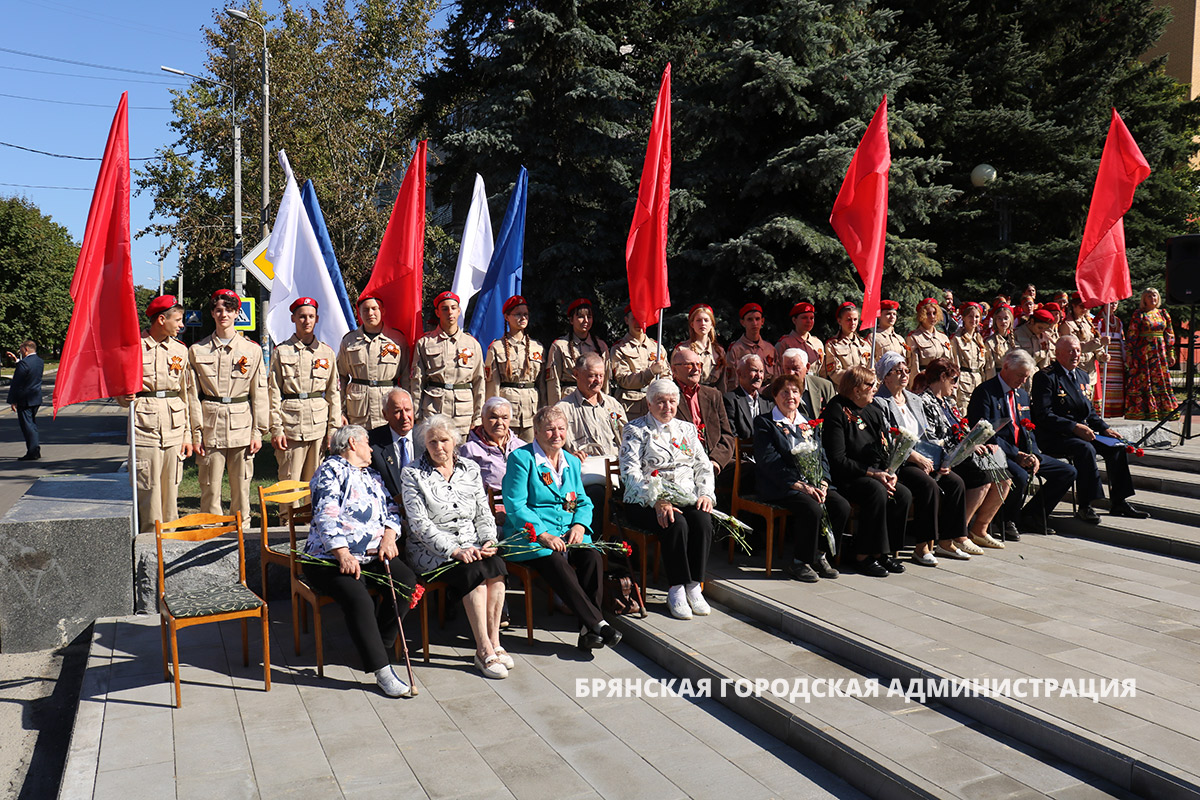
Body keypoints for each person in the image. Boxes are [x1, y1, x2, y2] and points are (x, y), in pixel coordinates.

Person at [302, 424, 417, 698]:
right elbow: (325, 515)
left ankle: (380, 644)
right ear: (353, 443)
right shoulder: (330, 470)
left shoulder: (372, 476)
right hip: (328, 558)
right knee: (359, 598)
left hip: (372, 555)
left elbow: (391, 510)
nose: (371, 449)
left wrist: (389, 538)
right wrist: (342, 553)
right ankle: (381, 670)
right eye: (367, 444)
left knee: (406, 582)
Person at [501, 405, 622, 651]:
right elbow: (515, 505)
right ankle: (598, 623)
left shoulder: (571, 462)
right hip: (530, 537)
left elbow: (584, 501)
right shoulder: (521, 459)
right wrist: (543, 534)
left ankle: (588, 630)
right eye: (549, 429)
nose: (556, 434)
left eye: (561, 429)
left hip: (567, 533)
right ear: (536, 432)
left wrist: (579, 524)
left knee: (592, 557)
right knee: (555, 561)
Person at [402, 414, 509, 679]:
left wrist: (488, 540)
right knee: (472, 572)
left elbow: (483, 514)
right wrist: (454, 550)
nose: (439, 447)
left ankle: (495, 642)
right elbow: (419, 525)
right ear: (424, 445)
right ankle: (482, 651)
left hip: (472, 545)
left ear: (455, 441)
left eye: (444, 440)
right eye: (432, 442)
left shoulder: (470, 469)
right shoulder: (412, 473)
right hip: (433, 553)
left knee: (495, 566)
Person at [619, 378, 715, 619]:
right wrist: (656, 500)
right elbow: (629, 474)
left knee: (703, 521)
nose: (667, 407)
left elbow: (703, 466)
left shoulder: (687, 429)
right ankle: (676, 588)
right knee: (675, 522)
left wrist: (705, 494)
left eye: (672, 401)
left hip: (685, 497)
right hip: (643, 501)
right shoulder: (635, 429)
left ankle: (694, 584)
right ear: (649, 404)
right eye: (660, 402)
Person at [1032, 336, 1148, 522]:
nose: (1076, 354)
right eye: (1070, 351)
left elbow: (1089, 410)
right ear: (1058, 353)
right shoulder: (1046, 377)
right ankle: (1086, 505)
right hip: (1056, 435)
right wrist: (1074, 427)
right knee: (1085, 449)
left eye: (1078, 350)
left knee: (1116, 446)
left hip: (1082, 432)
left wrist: (1104, 428)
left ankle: (1119, 501)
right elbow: (1043, 414)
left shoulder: (1082, 375)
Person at [874, 352, 971, 565]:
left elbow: (927, 436)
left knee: (955, 482)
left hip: (925, 457)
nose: (904, 375)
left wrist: (942, 461)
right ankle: (922, 546)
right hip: (900, 462)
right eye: (897, 371)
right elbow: (889, 438)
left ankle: (947, 542)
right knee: (929, 486)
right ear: (885, 377)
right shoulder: (880, 402)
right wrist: (914, 457)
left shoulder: (913, 399)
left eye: (906, 371)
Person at [966, 349, 1076, 536]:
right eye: (1020, 376)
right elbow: (985, 433)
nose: (1023, 381)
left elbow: (1028, 428)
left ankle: (1031, 516)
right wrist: (1016, 455)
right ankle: (1006, 519)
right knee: (1019, 475)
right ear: (1006, 367)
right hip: (998, 451)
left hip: (1023, 451)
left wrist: (1033, 453)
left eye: (1026, 377)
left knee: (1067, 472)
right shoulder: (985, 392)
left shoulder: (1022, 395)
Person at [753, 373, 850, 581]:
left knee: (841, 506)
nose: (790, 396)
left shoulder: (809, 424)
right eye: (784, 392)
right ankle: (800, 562)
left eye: (795, 392)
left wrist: (823, 481)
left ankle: (819, 554)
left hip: (813, 484)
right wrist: (800, 485)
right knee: (811, 507)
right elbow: (769, 461)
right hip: (781, 484)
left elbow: (822, 456)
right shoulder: (765, 423)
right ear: (775, 396)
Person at [821, 366, 912, 576]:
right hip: (848, 476)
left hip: (874, 473)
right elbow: (837, 459)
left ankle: (883, 552)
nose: (875, 388)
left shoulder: (873, 410)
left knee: (903, 494)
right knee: (875, 491)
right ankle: (862, 555)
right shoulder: (837, 411)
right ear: (856, 389)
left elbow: (884, 447)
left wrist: (890, 472)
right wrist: (873, 474)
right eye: (870, 385)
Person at [188, 289, 268, 519]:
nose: (224, 314)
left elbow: (259, 394)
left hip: (242, 426)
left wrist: (258, 432)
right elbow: (193, 396)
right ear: (212, 313)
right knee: (209, 487)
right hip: (210, 425)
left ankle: (242, 534)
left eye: (229, 310)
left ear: (237, 313)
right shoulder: (197, 350)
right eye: (219, 310)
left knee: (242, 489)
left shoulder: (251, 350)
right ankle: (210, 530)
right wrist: (196, 433)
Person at [918, 358, 1012, 549]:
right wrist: (966, 446)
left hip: (960, 453)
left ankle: (979, 529)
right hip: (943, 458)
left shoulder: (948, 402)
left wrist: (978, 441)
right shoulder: (924, 401)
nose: (956, 385)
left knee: (1004, 478)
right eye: (954, 380)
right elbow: (931, 438)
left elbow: (963, 428)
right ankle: (957, 534)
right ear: (942, 377)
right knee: (982, 478)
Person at [117, 296, 192, 529]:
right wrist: (125, 396)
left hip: (174, 427)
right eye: (178, 320)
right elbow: (120, 391)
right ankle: (149, 542)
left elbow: (186, 394)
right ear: (162, 319)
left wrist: (188, 435)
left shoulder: (180, 350)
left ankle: (170, 539)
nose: (181, 325)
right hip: (144, 427)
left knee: (171, 487)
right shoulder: (133, 348)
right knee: (148, 488)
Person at [269, 297, 341, 487]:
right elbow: (273, 393)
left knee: (316, 479)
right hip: (291, 425)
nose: (306, 321)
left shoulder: (326, 353)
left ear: (317, 319)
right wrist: (276, 428)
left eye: (311, 316)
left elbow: (334, 393)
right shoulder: (281, 351)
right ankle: (287, 517)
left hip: (318, 424)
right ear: (293, 318)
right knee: (289, 479)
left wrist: (333, 429)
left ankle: (312, 517)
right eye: (302, 317)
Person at [555, 352, 628, 510]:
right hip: (587, 475)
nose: (598, 381)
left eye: (601, 376)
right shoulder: (562, 410)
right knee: (597, 495)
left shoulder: (613, 405)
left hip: (618, 471)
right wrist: (567, 457)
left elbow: (628, 439)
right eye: (592, 376)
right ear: (576, 374)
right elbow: (550, 449)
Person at [411, 291, 486, 436]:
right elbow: (417, 381)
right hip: (434, 409)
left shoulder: (472, 344)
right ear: (437, 313)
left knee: (462, 455)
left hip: (463, 413)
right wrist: (416, 414)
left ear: (459, 311)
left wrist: (478, 417)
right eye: (444, 308)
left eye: (453, 308)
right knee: (433, 452)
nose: (449, 312)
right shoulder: (425, 343)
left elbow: (479, 383)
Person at [337, 295, 408, 430]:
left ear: (382, 311)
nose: (370, 313)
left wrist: (408, 409)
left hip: (388, 407)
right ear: (360, 313)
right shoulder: (349, 340)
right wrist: (340, 411)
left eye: (374, 309)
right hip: (359, 410)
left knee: (387, 448)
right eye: (366, 310)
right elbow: (341, 377)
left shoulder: (397, 339)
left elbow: (406, 377)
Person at [484, 295, 543, 442]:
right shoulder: (497, 348)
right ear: (506, 317)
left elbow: (542, 384)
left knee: (532, 453)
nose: (522, 318)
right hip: (507, 413)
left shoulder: (537, 347)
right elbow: (493, 385)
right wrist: (494, 415)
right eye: (518, 314)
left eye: (525, 314)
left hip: (531, 411)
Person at [671, 347, 735, 477]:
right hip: (684, 462)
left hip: (714, 459)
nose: (696, 369)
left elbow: (727, 436)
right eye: (689, 364)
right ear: (674, 369)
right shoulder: (667, 396)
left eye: (698, 364)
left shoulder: (713, 395)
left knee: (752, 470)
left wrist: (716, 461)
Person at [608, 304, 670, 418]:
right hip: (630, 406)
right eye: (634, 319)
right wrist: (650, 373)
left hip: (655, 404)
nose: (639, 323)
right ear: (627, 320)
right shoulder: (619, 349)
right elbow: (623, 379)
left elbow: (667, 376)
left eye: (642, 319)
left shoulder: (657, 347)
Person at [1125, 287, 1177, 421]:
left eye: (1154, 295)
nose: (1152, 298)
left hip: (1159, 353)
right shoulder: (1139, 314)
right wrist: (1129, 353)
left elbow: (1169, 333)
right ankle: (1144, 411)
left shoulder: (1163, 314)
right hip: (1143, 355)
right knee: (1144, 380)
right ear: (1144, 299)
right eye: (1149, 296)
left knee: (1160, 380)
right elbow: (1132, 334)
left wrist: (1171, 353)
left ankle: (1162, 410)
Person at [544, 298, 608, 406]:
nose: (586, 320)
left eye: (589, 317)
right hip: (569, 400)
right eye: (580, 317)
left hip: (594, 399)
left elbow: (605, 382)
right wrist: (555, 409)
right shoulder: (559, 346)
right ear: (571, 320)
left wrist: (605, 404)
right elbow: (553, 382)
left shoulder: (601, 346)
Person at [460, 396, 527, 493]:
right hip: (487, 504)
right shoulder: (470, 450)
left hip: (519, 503)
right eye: (493, 417)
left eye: (505, 418)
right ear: (483, 419)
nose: (499, 422)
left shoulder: (522, 447)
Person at [368, 388, 416, 501]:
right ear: (385, 415)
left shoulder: (426, 439)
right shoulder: (372, 442)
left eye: (408, 410)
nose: (405, 417)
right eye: (397, 412)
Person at [724, 302, 776, 392]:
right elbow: (732, 381)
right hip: (744, 396)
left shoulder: (770, 349)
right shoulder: (736, 349)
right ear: (742, 322)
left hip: (767, 397)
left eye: (757, 319)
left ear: (762, 321)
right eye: (750, 320)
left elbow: (776, 378)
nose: (754, 323)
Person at [1063, 292, 1108, 395]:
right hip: (1076, 369)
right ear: (1073, 305)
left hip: (1090, 371)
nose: (1084, 309)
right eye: (1081, 306)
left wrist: (1101, 356)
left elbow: (1094, 341)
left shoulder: (1087, 323)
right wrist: (1100, 342)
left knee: (1089, 402)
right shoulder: (1067, 325)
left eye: (1087, 307)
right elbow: (1076, 347)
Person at [7, 339, 44, 462]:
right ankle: (35, 450)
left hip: (24, 400)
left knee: (27, 426)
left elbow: (17, 383)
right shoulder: (39, 361)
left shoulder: (24, 364)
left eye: (21, 349)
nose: (20, 351)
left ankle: (32, 452)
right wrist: (17, 360)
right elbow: (29, 371)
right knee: (31, 424)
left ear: (26, 349)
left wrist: (13, 400)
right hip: (36, 398)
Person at [673, 303, 726, 388]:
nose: (702, 323)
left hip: (713, 397)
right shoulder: (682, 350)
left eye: (706, 320)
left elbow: (723, 383)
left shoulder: (719, 351)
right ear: (692, 324)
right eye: (698, 320)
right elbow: (675, 377)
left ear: (712, 324)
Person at [822, 302, 872, 387]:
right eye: (849, 320)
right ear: (839, 321)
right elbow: (834, 372)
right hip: (845, 391)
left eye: (855, 319)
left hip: (864, 391)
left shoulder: (865, 345)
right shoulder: (832, 345)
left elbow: (871, 368)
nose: (852, 323)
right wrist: (858, 377)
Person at [951, 302, 989, 412]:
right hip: (963, 384)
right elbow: (955, 365)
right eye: (970, 316)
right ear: (963, 318)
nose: (974, 319)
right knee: (963, 414)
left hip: (978, 381)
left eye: (977, 316)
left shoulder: (979, 339)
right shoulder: (957, 339)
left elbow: (982, 367)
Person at [723, 354, 771, 441]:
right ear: (739, 373)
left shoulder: (767, 403)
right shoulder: (730, 400)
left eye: (761, 372)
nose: (759, 376)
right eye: (754, 370)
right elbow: (731, 435)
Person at [779, 348, 836, 420]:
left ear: (807, 367)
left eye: (795, 369)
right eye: (787, 368)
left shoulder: (824, 386)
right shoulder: (774, 391)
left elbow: (834, 417)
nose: (791, 373)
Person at [1094, 301, 1126, 418]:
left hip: (1116, 358)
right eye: (1110, 303)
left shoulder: (1118, 321)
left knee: (1115, 385)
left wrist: (1124, 357)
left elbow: (1122, 340)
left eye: (1115, 303)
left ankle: (1115, 411)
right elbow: (1096, 338)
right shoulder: (1099, 320)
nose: (1113, 305)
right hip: (1104, 356)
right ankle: (1104, 411)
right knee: (1104, 384)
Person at [906, 297, 952, 376]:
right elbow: (914, 366)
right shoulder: (914, 337)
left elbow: (950, 362)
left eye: (934, 313)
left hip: (942, 379)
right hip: (925, 379)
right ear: (921, 315)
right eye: (928, 314)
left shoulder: (943, 337)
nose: (932, 316)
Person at [775, 301, 824, 369]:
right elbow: (777, 370)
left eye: (811, 318)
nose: (809, 321)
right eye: (804, 318)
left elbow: (822, 372)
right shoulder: (785, 343)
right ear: (794, 320)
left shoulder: (817, 343)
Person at [1013, 308, 1056, 382]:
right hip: (1020, 377)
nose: (1042, 331)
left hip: (1037, 378)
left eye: (1045, 329)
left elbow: (1044, 362)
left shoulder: (1044, 336)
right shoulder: (1017, 334)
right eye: (1040, 327)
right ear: (1032, 321)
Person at [984, 303, 1016, 381]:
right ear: (995, 321)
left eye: (1006, 318)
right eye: (999, 318)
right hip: (1000, 379)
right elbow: (990, 368)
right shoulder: (990, 342)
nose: (1003, 321)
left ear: (1011, 320)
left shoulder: (1016, 340)